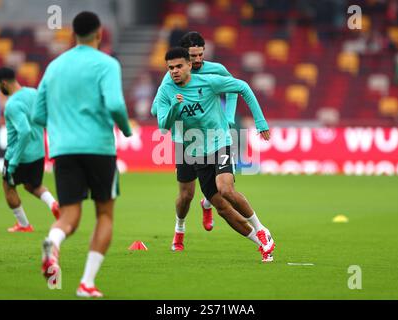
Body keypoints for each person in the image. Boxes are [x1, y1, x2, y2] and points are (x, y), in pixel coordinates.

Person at [32, 11, 132, 298]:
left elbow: (38, 115)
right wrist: (125, 129)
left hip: (63, 150)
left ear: (73, 34)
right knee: (105, 214)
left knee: (69, 216)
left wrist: (63, 125)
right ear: (100, 33)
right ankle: (86, 283)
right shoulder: (107, 63)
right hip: (98, 147)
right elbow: (114, 102)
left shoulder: (54, 67)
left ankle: (53, 241)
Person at [155, 47, 275, 262]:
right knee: (219, 207)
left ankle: (260, 228)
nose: (174, 71)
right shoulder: (166, 90)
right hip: (193, 150)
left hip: (219, 141)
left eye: (179, 66)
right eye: (170, 68)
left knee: (225, 188)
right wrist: (174, 106)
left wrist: (260, 122)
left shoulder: (210, 81)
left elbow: (242, 87)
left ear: (189, 65)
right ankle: (262, 243)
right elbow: (163, 125)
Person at [151, 31, 239, 251]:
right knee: (186, 195)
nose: (198, 60)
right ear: (185, 59)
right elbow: (155, 109)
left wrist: (229, 117)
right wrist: (173, 106)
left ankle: (208, 202)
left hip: (212, 136)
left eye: (201, 54)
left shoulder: (216, 70)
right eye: (193, 56)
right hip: (185, 139)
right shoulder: (173, 75)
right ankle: (179, 229)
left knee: (222, 184)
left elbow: (234, 90)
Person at [0, 67, 60, 232]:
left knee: (8, 186)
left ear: (3, 83)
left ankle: (24, 224)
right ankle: (53, 203)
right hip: (38, 152)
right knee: (32, 185)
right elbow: (46, 117)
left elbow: (24, 131)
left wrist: (14, 161)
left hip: (19, 154)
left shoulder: (12, 105)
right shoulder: (33, 93)